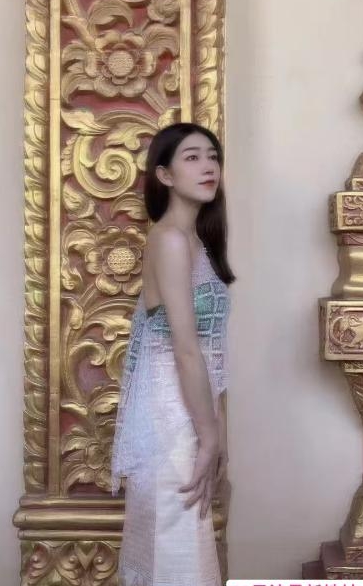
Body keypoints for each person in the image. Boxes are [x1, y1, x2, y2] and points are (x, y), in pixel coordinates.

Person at [112, 122, 236, 586]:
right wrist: (209, 436)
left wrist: (218, 430)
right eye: (192, 157)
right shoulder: (168, 238)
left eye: (213, 156)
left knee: (188, 543)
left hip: (193, 405)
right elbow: (185, 348)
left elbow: (211, 350)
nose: (208, 166)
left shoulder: (196, 240)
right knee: (176, 542)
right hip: (170, 411)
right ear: (164, 175)